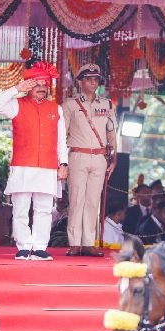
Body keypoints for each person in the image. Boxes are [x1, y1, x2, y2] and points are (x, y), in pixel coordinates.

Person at [0, 61, 68, 261]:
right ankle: (24, 246)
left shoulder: (55, 109)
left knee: (44, 209)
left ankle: (40, 247)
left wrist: (64, 164)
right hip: (23, 164)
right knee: (21, 208)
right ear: (28, 85)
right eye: (36, 83)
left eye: (44, 84)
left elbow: (61, 140)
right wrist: (16, 89)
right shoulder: (17, 105)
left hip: (48, 165)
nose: (41, 87)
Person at [62, 63, 117, 257]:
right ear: (80, 82)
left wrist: (114, 155)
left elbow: (111, 131)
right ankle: (75, 243)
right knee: (76, 199)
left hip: (100, 156)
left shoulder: (107, 104)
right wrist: (62, 161)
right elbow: (62, 134)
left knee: (93, 201)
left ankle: (88, 242)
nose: (93, 82)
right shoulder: (69, 104)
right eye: (88, 79)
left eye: (96, 79)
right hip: (78, 154)